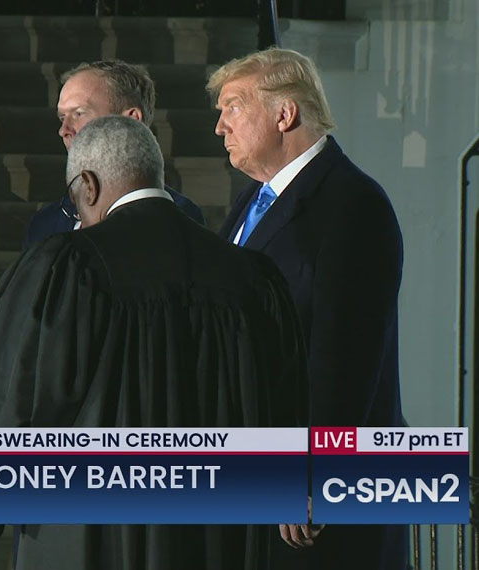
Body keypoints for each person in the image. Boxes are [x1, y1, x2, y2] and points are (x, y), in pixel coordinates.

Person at [0, 115, 309, 570]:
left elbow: (22, 398)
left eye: (76, 202)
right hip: (219, 536)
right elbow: (286, 406)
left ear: (89, 185)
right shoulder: (252, 276)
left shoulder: (71, 265)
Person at [209, 47, 407, 569]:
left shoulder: (352, 203)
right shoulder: (249, 204)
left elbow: (345, 355)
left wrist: (313, 472)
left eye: (232, 107)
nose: (219, 127)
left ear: (284, 113)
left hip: (316, 503)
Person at [22, 60, 204, 249]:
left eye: (79, 113)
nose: (64, 130)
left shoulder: (181, 218)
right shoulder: (46, 224)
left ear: (131, 120)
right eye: (62, 117)